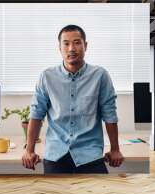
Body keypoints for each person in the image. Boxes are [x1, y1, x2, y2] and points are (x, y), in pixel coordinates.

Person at [21, 24, 124, 174]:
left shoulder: (100, 75)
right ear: (59, 48)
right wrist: (29, 150)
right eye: (66, 43)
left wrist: (115, 149)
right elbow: (36, 114)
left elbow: (109, 114)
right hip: (56, 154)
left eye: (77, 42)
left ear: (85, 45)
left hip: (90, 154)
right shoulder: (46, 77)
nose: (71, 49)